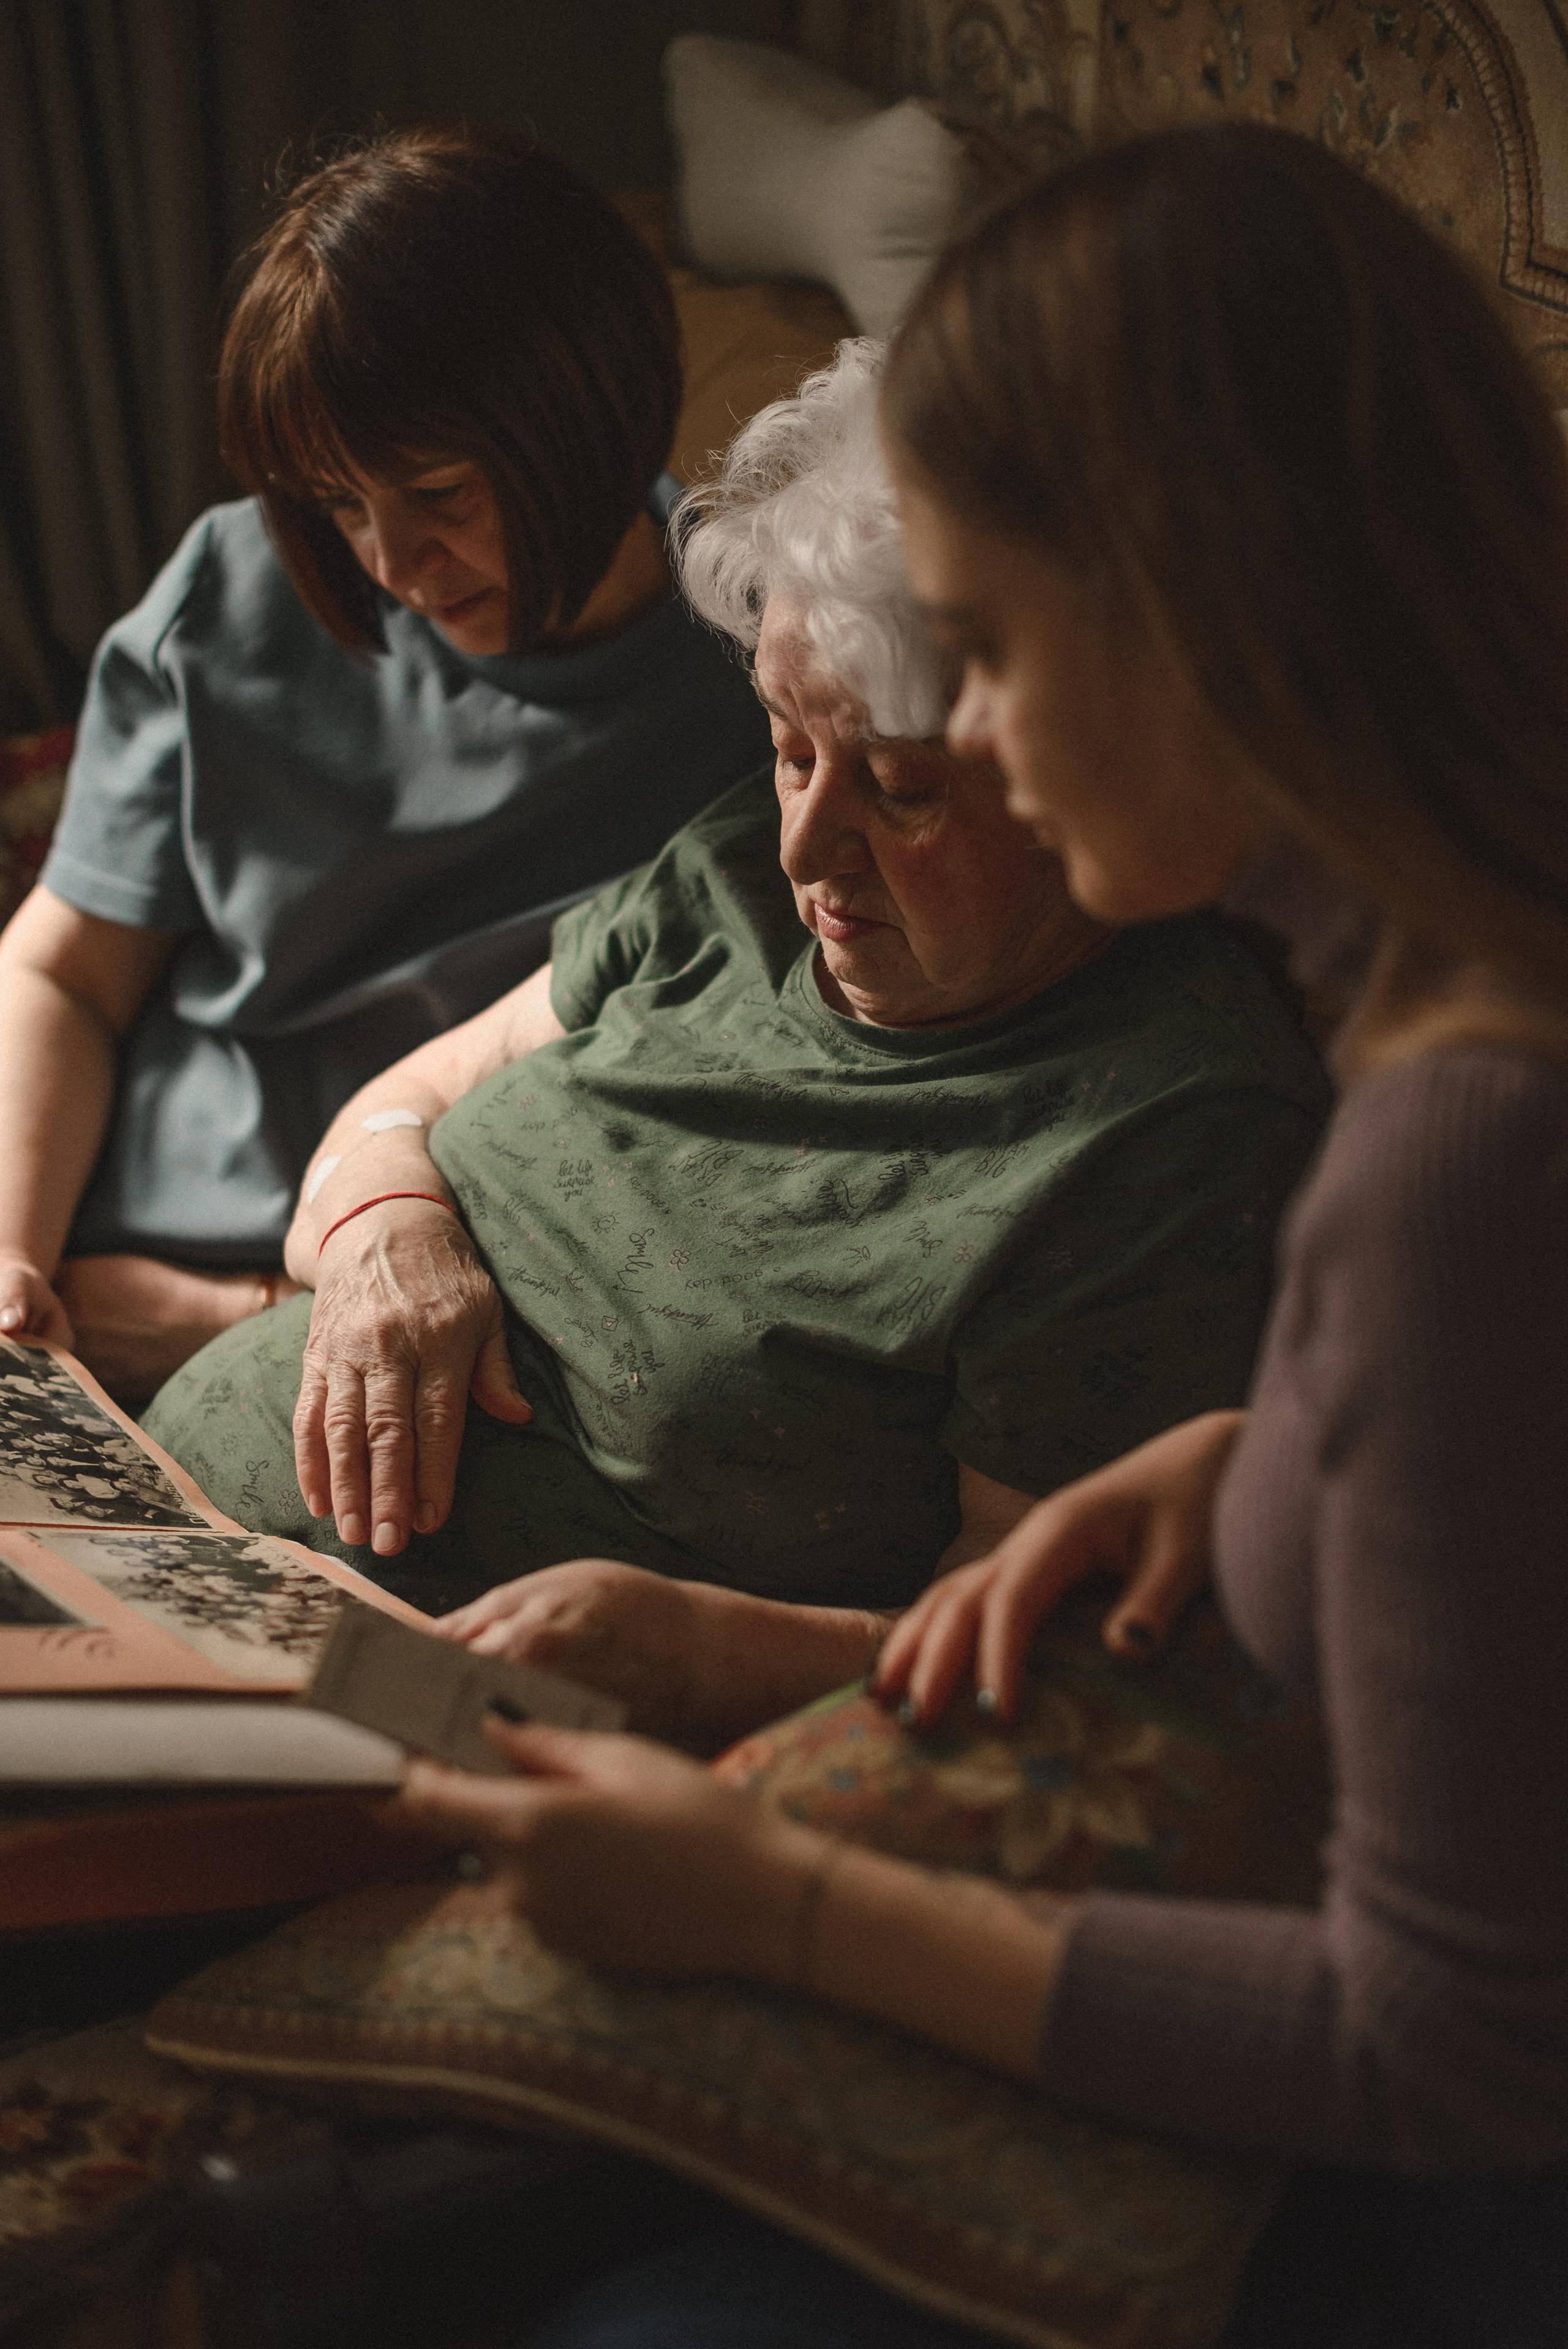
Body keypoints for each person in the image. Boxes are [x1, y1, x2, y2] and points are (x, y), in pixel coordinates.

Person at [382, 129, 1568, 2349]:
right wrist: (1245, 1462)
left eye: (1000, 655)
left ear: (1208, 615)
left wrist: (780, 1903)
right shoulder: (1447, 1009)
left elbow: (1460, 2053)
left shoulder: (1452, 1143)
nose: (989, 741)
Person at [143, 341, 1325, 1749]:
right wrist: (389, 1227)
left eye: (898, 791)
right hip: (133, 1511)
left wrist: (728, 1655)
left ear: (1084, 756)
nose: (804, 847)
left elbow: (1026, 1625)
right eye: (783, 748)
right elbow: (397, 1103)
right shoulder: (730, 874)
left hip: (352, 1707)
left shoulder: (1163, 1135)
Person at [0, 126, 770, 1401]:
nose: (393, 570)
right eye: (338, 504)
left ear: (588, 413)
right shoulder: (235, 589)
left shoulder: (753, 690)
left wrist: (227, 1321)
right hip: (77, 1242)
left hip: (378, 1313)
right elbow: (65, 973)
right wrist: (18, 1276)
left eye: (439, 494)